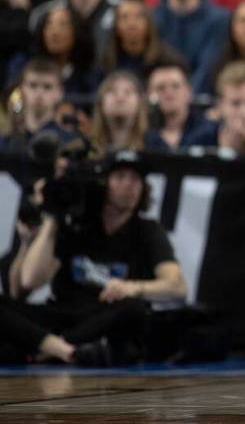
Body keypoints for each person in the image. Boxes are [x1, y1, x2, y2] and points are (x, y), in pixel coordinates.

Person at [5, 149, 187, 365]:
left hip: (105, 317)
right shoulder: (76, 223)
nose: (129, 185)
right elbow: (28, 282)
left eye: (136, 179)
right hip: (64, 313)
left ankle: (48, 349)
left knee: (135, 309)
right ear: (103, 183)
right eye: (120, 177)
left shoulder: (147, 230)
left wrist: (133, 287)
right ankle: (62, 349)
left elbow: (177, 286)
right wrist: (53, 218)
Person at [152, 0, 230, 92]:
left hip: (202, 96)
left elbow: (208, 67)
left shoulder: (221, 20)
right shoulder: (151, 19)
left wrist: (186, 95)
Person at [0, 58, 72, 153]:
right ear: (21, 89)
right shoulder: (6, 142)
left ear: (60, 92)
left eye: (47, 87)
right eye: (33, 85)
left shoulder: (69, 144)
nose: (39, 93)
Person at [101, 0, 181, 78]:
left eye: (138, 16)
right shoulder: (106, 62)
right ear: (116, 25)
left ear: (149, 23)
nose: (131, 24)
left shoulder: (168, 61)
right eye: (124, 17)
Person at [145, 58, 203, 151]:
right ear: (148, 94)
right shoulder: (141, 133)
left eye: (176, 86)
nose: (169, 94)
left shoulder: (209, 131)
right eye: (161, 88)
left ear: (189, 92)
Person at [90, 71, 150, 153]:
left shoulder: (153, 145)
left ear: (140, 103)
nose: (120, 98)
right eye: (112, 91)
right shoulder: (85, 148)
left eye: (128, 92)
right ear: (101, 103)